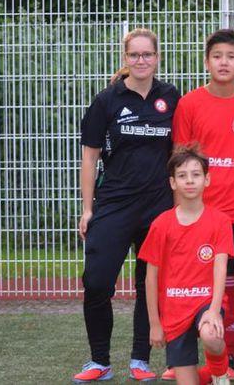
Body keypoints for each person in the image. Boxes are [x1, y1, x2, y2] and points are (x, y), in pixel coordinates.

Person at [74, 28, 180, 383]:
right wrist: (88, 209)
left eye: (147, 54)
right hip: (114, 205)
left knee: (148, 284)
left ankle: (140, 360)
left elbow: (178, 152)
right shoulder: (106, 100)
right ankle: (99, 361)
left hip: (158, 207)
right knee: (97, 281)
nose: (141, 60)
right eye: (134, 54)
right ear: (125, 58)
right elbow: (90, 158)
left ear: (157, 58)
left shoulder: (170, 97)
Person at [171, 28, 234, 380]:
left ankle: (230, 356)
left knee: (230, 284)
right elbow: (180, 159)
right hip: (197, 211)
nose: (224, 62)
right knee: (189, 282)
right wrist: (180, 211)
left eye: (231, 56)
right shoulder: (189, 103)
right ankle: (182, 359)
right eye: (217, 56)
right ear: (206, 61)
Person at [139, 145, 234, 385]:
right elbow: (150, 278)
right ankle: (208, 375)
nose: (189, 181)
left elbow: (220, 268)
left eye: (196, 174)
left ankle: (220, 371)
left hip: (206, 301)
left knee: (211, 335)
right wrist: (154, 324)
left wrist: (214, 310)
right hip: (174, 310)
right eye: (182, 176)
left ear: (207, 179)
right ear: (173, 183)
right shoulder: (161, 224)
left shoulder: (220, 221)